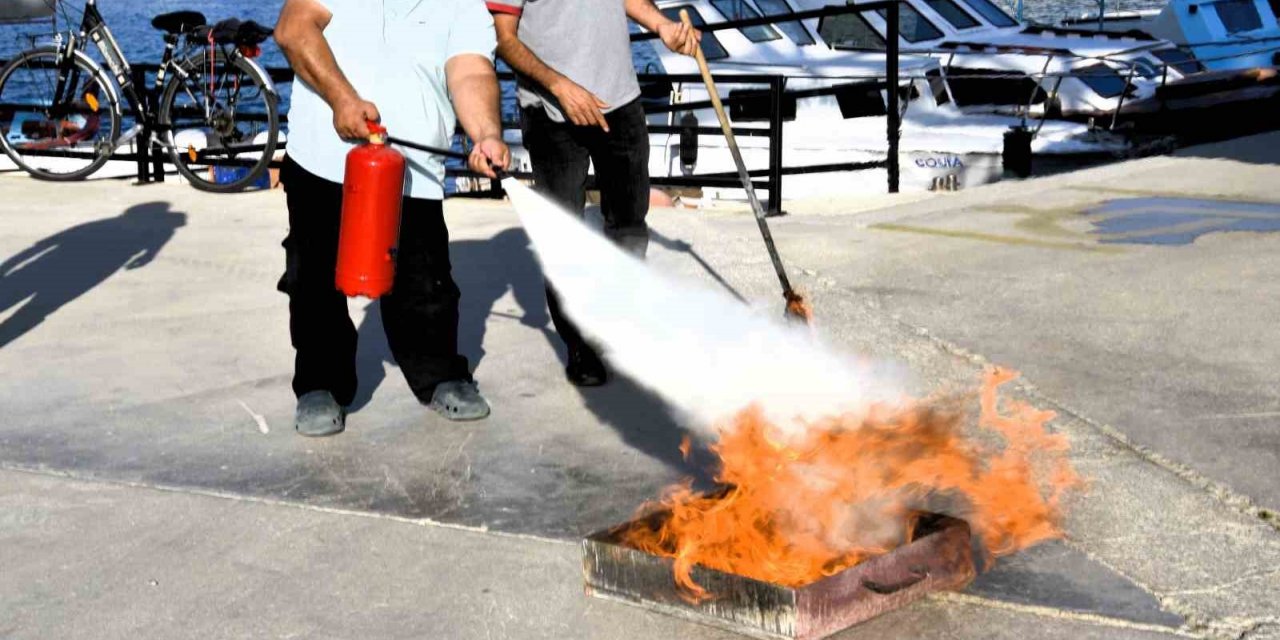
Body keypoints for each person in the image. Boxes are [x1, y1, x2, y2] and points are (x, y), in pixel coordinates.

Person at [275, 0, 510, 436]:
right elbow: (294, 29)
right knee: (313, 278)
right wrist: (342, 100)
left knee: (426, 281)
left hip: (413, 171)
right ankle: (320, 383)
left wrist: (487, 134)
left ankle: (440, 376)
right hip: (321, 158)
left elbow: (470, 71)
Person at [487, 0, 698, 387]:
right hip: (551, 111)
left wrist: (662, 27)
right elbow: (505, 40)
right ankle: (580, 344)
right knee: (562, 235)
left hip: (621, 102)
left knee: (629, 224)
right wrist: (560, 86)